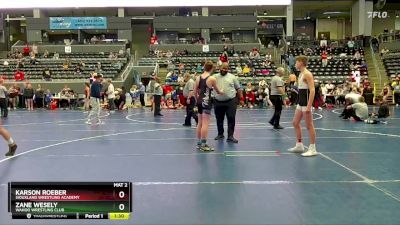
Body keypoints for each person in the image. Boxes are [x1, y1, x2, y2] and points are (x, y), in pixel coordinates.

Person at [288, 56, 318, 157]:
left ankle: (313, 148)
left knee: (309, 125)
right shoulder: (300, 74)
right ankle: (299, 145)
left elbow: (312, 90)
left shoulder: (307, 74)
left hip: (306, 103)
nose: (295, 64)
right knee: (295, 122)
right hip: (300, 102)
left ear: (301, 62)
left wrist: (309, 106)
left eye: (296, 62)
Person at [195, 61, 223, 151]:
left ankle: (199, 143)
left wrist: (197, 100)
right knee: (205, 124)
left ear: (204, 67)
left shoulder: (198, 77)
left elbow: (195, 91)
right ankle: (203, 145)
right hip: (206, 102)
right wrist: (222, 92)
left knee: (200, 123)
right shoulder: (212, 79)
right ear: (212, 68)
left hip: (199, 101)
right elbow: (218, 91)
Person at [213, 62, 242, 143]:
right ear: (219, 68)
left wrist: (241, 99)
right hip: (218, 101)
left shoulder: (233, 77)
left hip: (231, 101)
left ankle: (230, 136)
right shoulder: (214, 77)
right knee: (219, 119)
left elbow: (238, 88)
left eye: (226, 68)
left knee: (231, 118)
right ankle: (220, 134)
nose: (224, 70)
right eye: (223, 68)